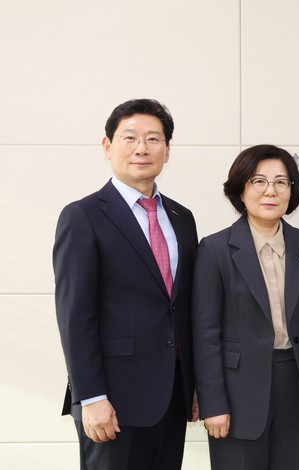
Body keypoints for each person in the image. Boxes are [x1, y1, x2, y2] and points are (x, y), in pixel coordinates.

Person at [53, 98, 199, 469]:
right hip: (113, 401)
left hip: (172, 396)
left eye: (153, 139)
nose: (141, 148)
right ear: (108, 146)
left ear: (167, 150)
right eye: (130, 137)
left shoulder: (182, 218)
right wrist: (91, 397)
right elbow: (75, 315)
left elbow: (184, 308)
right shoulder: (83, 216)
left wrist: (195, 384)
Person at [192, 144, 299, 469]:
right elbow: (205, 334)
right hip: (237, 393)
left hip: (297, 386)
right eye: (258, 181)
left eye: (281, 182)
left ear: (292, 190)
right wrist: (213, 403)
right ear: (240, 189)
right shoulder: (215, 250)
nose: (270, 191)